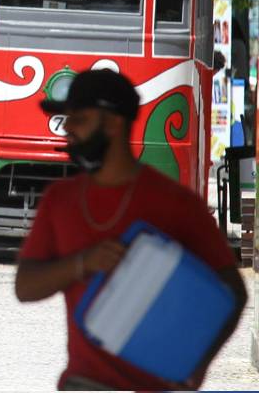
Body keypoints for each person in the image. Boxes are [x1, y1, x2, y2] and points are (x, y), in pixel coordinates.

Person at [15, 68, 247, 390]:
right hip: (84, 384)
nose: (67, 128)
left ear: (113, 123)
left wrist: (194, 370)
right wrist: (84, 263)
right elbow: (25, 287)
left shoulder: (176, 203)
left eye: (79, 119)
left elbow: (234, 293)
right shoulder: (59, 200)